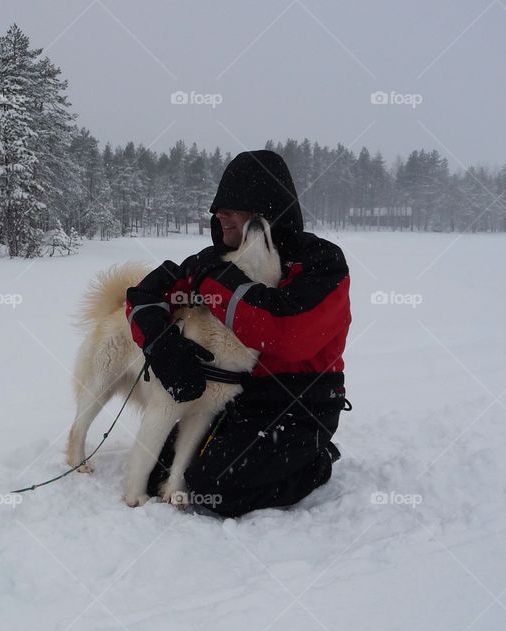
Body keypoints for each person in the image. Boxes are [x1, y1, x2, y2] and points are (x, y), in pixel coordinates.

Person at [124, 150, 352, 517]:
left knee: (215, 488)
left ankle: (317, 461)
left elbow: (286, 333)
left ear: (266, 208)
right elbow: (143, 297)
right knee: (162, 476)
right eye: (217, 208)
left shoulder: (320, 262)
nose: (218, 215)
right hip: (234, 397)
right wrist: (161, 345)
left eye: (232, 206)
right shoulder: (210, 261)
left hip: (300, 403)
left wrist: (214, 283)